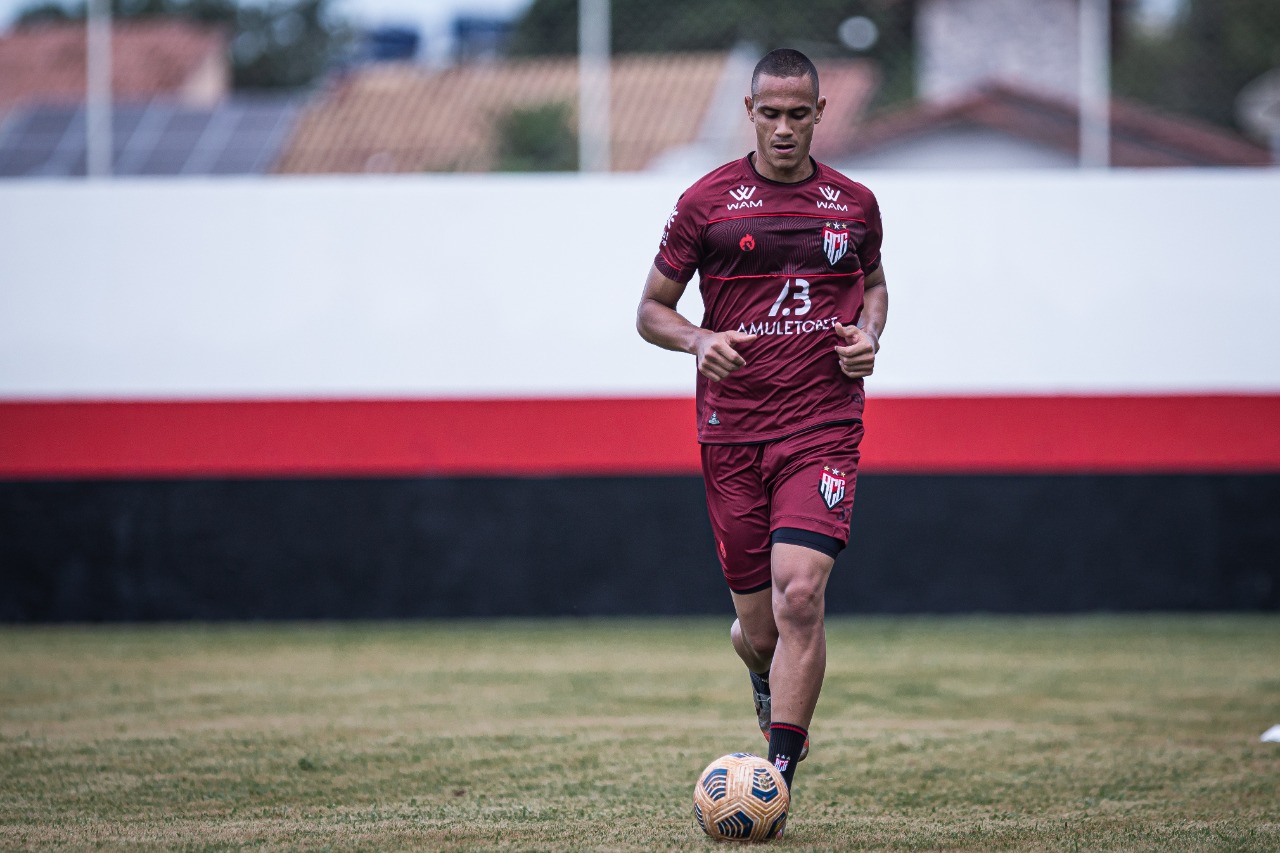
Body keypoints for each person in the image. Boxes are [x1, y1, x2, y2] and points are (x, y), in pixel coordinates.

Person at [635, 47, 888, 795]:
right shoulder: (704, 203)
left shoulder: (854, 204)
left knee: (801, 591)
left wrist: (870, 336)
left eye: (797, 114)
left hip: (822, 425)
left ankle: (774, 775)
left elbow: (873, 287)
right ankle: (757, 667)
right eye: (769, 114)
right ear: (750, 113)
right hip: (732, 434)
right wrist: (698, 338)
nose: (783, 128)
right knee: (761, 628)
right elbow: (650, 310)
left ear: (818, 114)